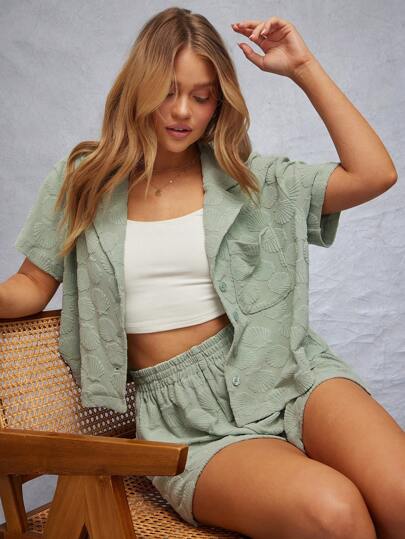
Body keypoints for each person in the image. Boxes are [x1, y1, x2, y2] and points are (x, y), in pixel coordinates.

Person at [1, 7, 403, 538]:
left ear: (219, 102)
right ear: (138, 87)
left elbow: (375, 173)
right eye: (168, 91)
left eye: (202, 95)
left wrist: (302, 67)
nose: (182, 111)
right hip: (187, 422)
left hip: (288, 373)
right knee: (334, 513)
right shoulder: (84, 180)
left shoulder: (250, 179)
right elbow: (31, 286)